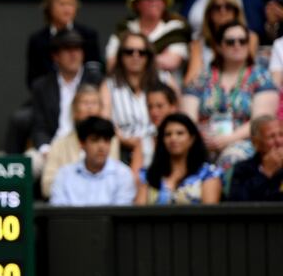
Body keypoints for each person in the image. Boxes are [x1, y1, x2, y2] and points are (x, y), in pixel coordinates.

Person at [183, 21, 278, 168]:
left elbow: (260, 122)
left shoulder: (261, 77)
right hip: (203, 142)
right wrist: (202, 137)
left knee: (232, 158)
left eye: (242, 41)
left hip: (245, 142)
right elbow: (187, 118)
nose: (237, 45)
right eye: (230, 41)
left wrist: (227, 139)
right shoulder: (202, 78)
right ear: (219, 46)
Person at [30, 29, 103, 172]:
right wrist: (46, 150)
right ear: (55, 56)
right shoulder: (42, 86)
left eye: (77, 48)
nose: (73, 54)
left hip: (86, 146)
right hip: (53, 147)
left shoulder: (97, 81)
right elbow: (39, 126)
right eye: (67, 49)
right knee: (30, 164)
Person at [101, 32, 175, 172]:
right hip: (123, 151)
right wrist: (126, 141)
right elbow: (106, 121)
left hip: (163, 148)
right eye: (129, 52)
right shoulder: (109, 85)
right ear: (120, 55)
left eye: (142, 52)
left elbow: (176, 115)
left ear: (149, 56)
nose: (136, 56)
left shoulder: (164, 79)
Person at [104, 0, 191, 80]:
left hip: (164, 91)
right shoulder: (124, 28)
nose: (153, 2)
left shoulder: (175, 29)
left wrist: (129, 58)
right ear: (137, 4)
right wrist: (156, 59)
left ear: (164, 3)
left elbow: (171, 62)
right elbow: (111, 64)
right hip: (127, 91)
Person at [41, 85, 120, 199]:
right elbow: (47, 186)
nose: (90, 107)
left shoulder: (111, 141)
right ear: (74, 110)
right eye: (85, 102)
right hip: (69, 208)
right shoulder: (59, 144)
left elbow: (114, 179)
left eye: (94, 103)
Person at [26, 0, 101, 87]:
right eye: (62, 4)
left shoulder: (88, 35)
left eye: (71, 4)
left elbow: (95, 73)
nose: (67, 9)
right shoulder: (37, 40)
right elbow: (33, 80)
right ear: (49, 6)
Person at [136, 113, 221, 205]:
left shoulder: (208, 174)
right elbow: (139, 213)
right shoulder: (149, 175)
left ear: (192, 138)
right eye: (168, 134)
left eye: (180, 133)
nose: (173, 138)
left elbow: (209, 215)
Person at [49, 116, 135, 206]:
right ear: (82, 144)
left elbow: (121, 216)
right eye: (95, 140)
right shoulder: (64, 175)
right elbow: (59, 215)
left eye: (106, 140)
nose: (101, 146)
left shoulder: (123, 174)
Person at [185, 0, 259, 85]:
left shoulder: (249, 37)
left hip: (243, 87)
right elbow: (191, 79)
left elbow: (249, 69)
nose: (223, 11)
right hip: (208, 89)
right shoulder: (199, 43)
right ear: (209, 13)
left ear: (235, 11)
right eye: (217, 7)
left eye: (228, 7)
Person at [228, 116, 283, 202]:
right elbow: (238, 205)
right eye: (271, 137)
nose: (279, 141)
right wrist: (266, 173)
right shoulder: (243, 169)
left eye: (281, 134)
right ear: (255, 142)